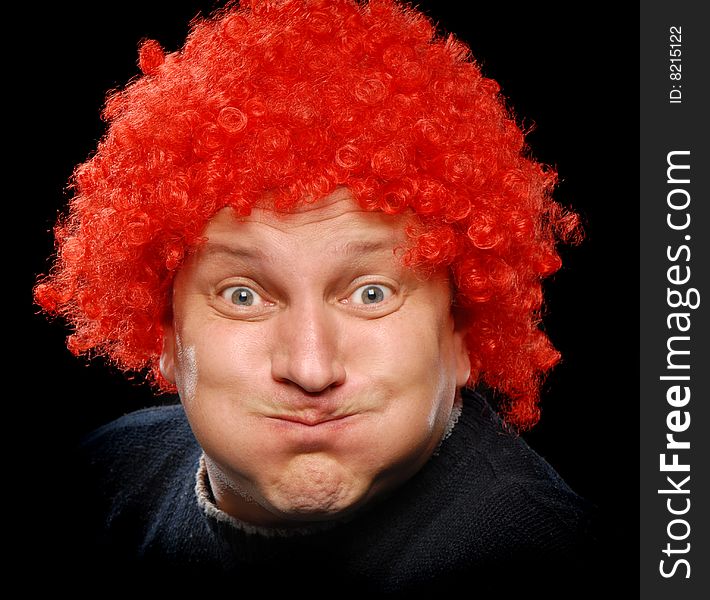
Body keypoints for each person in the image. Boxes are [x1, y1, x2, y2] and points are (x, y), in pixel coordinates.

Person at [34, 0, 595, 594]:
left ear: (460, 332)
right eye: (244, 295)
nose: (310, 368)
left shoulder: (534, 559)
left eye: (371, 293)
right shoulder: (103, 477)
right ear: (166, 332)